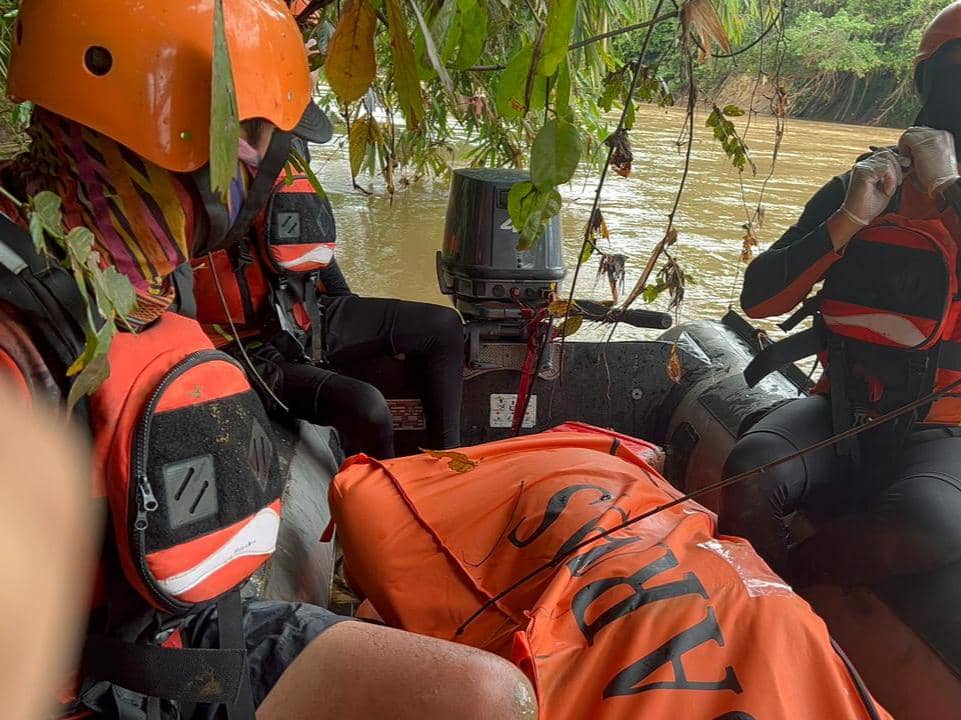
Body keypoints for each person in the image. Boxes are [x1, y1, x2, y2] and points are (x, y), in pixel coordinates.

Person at [0, 2, 535, 719]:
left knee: (493, 697)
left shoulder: (158, 279)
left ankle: (423, 498)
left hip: (188, 638)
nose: (257, 160)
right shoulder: (17, 340)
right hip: (67, 681)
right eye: (249, 132)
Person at [720, 2, 961, 585]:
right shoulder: (867, 181)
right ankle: (771, 614)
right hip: (839, 408)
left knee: (931, 526)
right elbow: (759, 301)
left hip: (946, 427)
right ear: (930, 81)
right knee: (751, 472)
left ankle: (796, 596)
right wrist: (847, 220)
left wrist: (949, 192)